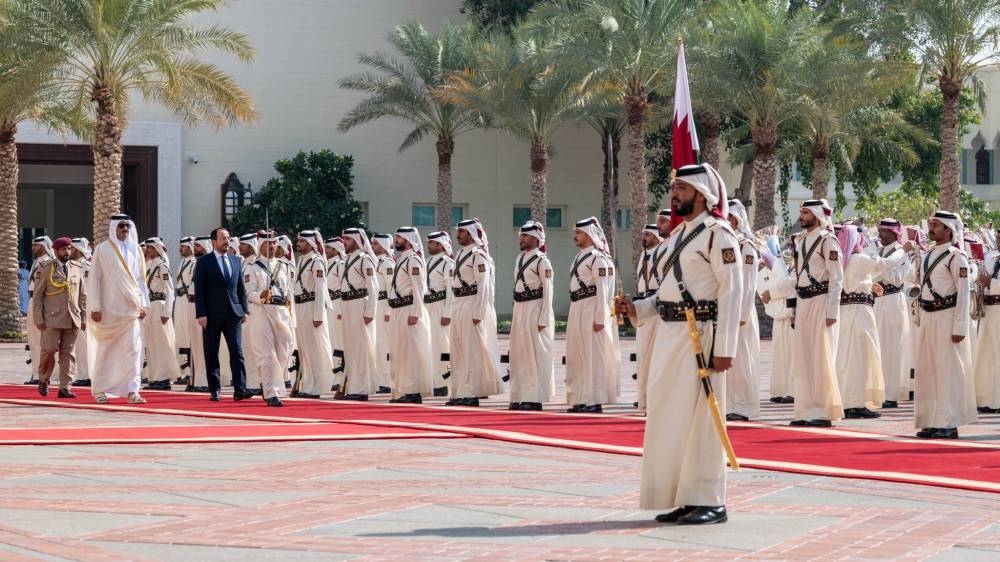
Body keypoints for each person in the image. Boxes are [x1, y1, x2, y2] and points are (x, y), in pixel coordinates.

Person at [617, 162, 742, 526]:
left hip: (701, 337)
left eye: (683, 189)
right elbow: (666, 294)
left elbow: (732, 292)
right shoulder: (678, 237)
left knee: (703, 419)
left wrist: (725, 347)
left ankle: (709, 499)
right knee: (670, 416)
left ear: (702, 195)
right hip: (672, 337)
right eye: (675, 189)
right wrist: (636, 308)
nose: (675, 194)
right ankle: (684, 497)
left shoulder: (718, 235)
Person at [910, 212, 977, 439]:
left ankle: (948, 422)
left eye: (936, 225)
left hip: (947, 317)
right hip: (928, 317)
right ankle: (932, 419)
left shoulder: (956, 257)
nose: (931, 228)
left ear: (948, 229)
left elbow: (964, 293)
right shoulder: (929, 254)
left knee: (947, 372)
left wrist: (960, 327)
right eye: (931, 224)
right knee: (928, 371)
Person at [783, 199, 845, 427]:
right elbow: (798, 279)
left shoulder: (828, 241)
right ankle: (805, 410)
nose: (802, 216)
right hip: (804, 302)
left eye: (806, 212)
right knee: (803, 357)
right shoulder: (800, 241)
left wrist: (832, 310)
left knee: (820, 358)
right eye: (801, 212)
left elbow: (837, 278)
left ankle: (822, 411)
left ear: (817, 215)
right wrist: (794, 309)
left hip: (821, 302)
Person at [88, 215, 149, 404]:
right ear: (114, 228)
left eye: (127, 226)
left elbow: (140, 279)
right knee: (106, 350)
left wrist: (144, 304)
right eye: (121, 226)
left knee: (134, 350)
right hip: (109, 310)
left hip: (131, 310)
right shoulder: (103, 249)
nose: (125, 229)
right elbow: (95, 279)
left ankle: (133, 390)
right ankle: (99, 389)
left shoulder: (136, 249)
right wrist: (95, 307)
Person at [564, 217, 618, 413]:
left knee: (593, 356)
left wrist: (600, 317)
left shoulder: (598, 258)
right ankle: (581, 397)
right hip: (577, 306)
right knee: (578, 354)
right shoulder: (579, 257)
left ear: (589, 235)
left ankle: (594, 399)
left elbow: (605, 290)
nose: (575, 236)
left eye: (579, 233)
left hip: (591, 307)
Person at [193, 227, 253, 402]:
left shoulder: (236, 260)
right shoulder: (204, 262)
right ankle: (215, 389)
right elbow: (200, 290)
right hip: (211, 315)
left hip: (233, 314)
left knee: (237, 352)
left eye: (228, 238)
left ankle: (240, 389)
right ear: (214, 242)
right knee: (212, 352)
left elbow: (241, 287)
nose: (227, 241)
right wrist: (201, 314)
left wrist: (244, 309)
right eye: (223, 238)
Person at [447, 219, 501, 407]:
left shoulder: (478, 255)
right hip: (459, 303)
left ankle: (471, 393)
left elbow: (483, 286)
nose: (458, 234)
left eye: (461, 231)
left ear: (470, 233)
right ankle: (459, 391)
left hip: (472, 303)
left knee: (471, 351)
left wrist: (479, 312)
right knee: (458, 350)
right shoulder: (461, 254)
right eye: (458, 231)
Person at [834, 224, 886, 418]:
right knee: (861, 357)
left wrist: (868, 285)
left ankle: (847, 402)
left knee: (846, 359)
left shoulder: (842, 259)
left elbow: (856, 280)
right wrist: (904, 251)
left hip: (845, 313)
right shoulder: (861, 259)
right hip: (860, 314)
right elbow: (884, 264)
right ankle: (855, 404)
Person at [508, 221, 554, 411]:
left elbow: (548, 290)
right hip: (520, 308)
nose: (522, 238)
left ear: (535, 238)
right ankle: (519, 395)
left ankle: (534, 397)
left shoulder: (542, 261)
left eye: (526, 235)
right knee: (519, 354)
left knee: (534, 354)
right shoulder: (520, 258)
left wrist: (543, 317)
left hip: (535, 307)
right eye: (521, 235)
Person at [33, 237, 87, 398]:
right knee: (49, 350)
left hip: (72, 317)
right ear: (56, 251)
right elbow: (38, 296)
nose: (67, 252)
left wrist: (83, 317)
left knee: (68, 353)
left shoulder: (77, 267)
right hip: (52, 318)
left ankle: (65, 387)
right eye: (64, 249)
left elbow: (83, 295)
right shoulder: (46, 268)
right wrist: (39, 317)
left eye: (69, 249)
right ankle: (43, 378)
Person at [245, 230, 293, 407]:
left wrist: (291, 315)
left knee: (284, 351)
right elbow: (249, 293)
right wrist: (262, 296)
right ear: (260, 246)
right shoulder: (253, 267)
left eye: (274, 243)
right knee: (266, 354)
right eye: (268, 243)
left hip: (282, 311)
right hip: (262, 312)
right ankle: (271, 392)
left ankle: (270, 386)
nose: (272, 247)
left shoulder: (284, 266)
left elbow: (289, 293)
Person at [386, 227, 434, 403]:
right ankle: (403, 390)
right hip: (398, 310)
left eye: (399, 237)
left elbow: (419, 288)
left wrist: (415, 313)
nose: (396, 240)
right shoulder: (402, 260)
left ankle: (413, 392)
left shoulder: (414, 260)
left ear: (408, 239)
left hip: (409, 310)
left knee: (410, 352)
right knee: (399, 352)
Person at [725, 200, 761, 422]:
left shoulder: (746, 245)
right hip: (727, 310)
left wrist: (742, 315)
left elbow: (749, 284)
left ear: (735, 219)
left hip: (741, 312)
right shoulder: (727, 243)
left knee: (742, 360)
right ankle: (730, 403)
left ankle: (744, 405)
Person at [871, 219, 912, 408]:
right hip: (878, 301)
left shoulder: (901, 252)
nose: (880, 235)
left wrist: (881, 268)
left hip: (893, 300)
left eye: (884, 231)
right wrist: (881, 267)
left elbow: (896, 279)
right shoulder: (880, 253)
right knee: (878, 347)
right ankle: (880, 391)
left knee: (892, 349)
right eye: (879, 231)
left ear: (894, 233)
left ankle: (892, 394)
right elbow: (872, 274)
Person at [338, 228, 380, 400]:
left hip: (359, 304)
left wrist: (370, 311)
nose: (344, 242)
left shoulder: (365, 259)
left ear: (355, 240)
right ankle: (353, 385)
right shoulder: (347, 259)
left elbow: (374, 287)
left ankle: (361, 389)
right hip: (347, 304)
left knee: (361, 348)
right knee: (350, 348)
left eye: (347, 239)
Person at [291, 230, 333, 398]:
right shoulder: (302, 261)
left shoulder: (316, 262)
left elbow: (321, 289)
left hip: (311, 307)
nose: (298, 244)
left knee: (314, 349)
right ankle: (307, 384)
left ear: (309, 243)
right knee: (304, 349)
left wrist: (318, 315)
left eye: (301, 241)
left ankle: (316, 387)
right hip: (300, 307)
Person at [757, 236, 795, 404]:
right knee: (781, 354)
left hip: (794, 313)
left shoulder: (801, 265)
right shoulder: (788, 263)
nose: (792, 248)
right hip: (781, 314)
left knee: (793, 355)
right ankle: (780, 389)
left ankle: (793, 391)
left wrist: (771, 293)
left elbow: (792, 284)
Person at [142, 237, 181, 390]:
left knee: (161, 343)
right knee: (151, 344)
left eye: (150, 248)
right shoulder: (150, 266)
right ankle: (154, 377)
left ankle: (163, 378)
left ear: (156, 249)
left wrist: (167, 312)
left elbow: (170, 290)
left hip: (159, 306)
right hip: (150, 307)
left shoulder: (162, 267)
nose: (147, 250)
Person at [634, 223, 663, 411]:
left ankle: (654, 395)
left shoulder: (662, 253)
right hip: (643, 306)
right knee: (643, 355)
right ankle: (643, 395)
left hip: (657, 307)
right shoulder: (644, 256)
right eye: (643, 234)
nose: (644, 238)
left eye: (647, 235)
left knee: (655, 355)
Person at [425, 231, 454, 397]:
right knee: (429, 346)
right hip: (428, 305)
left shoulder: (447, 264)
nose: (429, 245)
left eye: (432, 243)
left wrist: (447, 312)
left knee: (441, 346)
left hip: (440, 306)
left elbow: (451, 290)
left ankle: (442, 383)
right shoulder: (428, 262)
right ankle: (432, 381)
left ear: (440, 245)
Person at [974, 231, 1000, 414]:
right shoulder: (993, 258)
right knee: (986, 355)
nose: (998, 241)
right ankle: (987, 398)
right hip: (988, 309)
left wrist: (991, 281)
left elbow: (992, 281)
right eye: (998, 238)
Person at [26, 236, 55, 384]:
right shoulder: (37, 261)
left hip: (41, 303)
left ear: (43, 246)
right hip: (32, 300)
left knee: (41, 340)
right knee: (33, 340)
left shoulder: (47, 262)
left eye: (36, 245)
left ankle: (42, 375)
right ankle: (36, 374)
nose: (33, 248)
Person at [237, 233, 264, 393]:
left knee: (253, 348)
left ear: (252, 246)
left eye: (244, 244)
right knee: (246, 348)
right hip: (244, 312)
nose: (240, 247)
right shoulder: (244, 263)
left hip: (252, 311)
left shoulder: (254, 264)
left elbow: (249, 292)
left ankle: (255, 383)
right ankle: (251, 382)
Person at [372, 233, 395, 394]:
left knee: (385, 345)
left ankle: (386, 380)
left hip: (384, 306)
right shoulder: (377, 262)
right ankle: (380, 378)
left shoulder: (387, 263)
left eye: (376, 244)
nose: (373, 247)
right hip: (376, 305)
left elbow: (390, 288)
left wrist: (388, 310)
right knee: (378, 345)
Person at [69, 239, 94, 388]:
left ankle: (87, 376)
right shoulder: (75, 265)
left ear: (78, 250)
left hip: (85, 311)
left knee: (84, 345)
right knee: (79, 345)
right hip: (76, 310)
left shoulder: (86, 266)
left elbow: (87, 291)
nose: (69, 251)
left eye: (72, 249)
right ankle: (83, 374)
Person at [324, 237, 347, 393]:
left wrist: (340, 311)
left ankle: (340, 378)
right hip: (329, 304)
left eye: (329, 248)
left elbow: (343, 286)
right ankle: (333, 377)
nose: (326, 250)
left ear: (336, 249)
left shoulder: (340, 265)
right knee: (331, 341)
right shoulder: (329, 264)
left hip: (338, 303)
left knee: (339, 343)